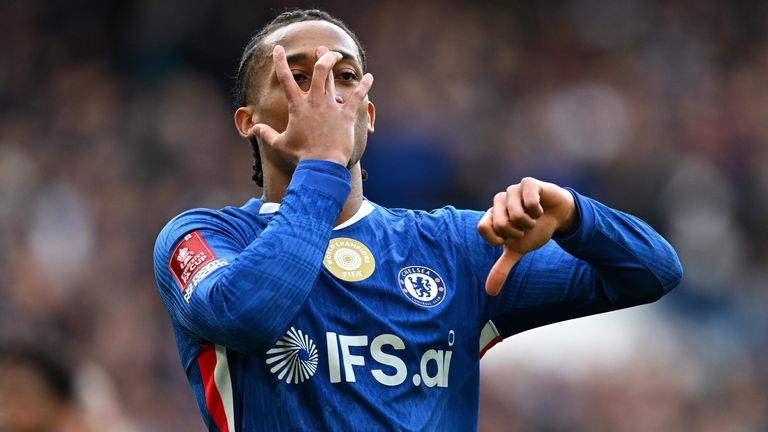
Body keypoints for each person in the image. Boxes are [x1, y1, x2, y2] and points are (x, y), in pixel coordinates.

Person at [153, 8, 683, 431]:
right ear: (248, 122)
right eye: (296, 77)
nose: (326, 93)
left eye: (345, 75)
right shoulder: (203, 238)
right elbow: (248, 314)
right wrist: (322, 165)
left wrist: (574, 215)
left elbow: (654, 270)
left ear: (370, 114)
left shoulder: (454, 247)